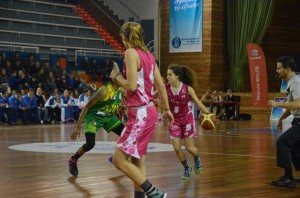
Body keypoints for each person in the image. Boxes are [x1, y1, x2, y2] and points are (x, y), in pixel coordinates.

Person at [109, 22, 173, 198]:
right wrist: (166, 109)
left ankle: (154, 193)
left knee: (118, 159)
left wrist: (116, 77)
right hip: (150, 111)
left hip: (140, 114)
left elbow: (130, 85)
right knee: (138, 159)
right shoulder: (149, 55)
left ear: (123, 38)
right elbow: (160, 84)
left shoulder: (130, 53)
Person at [68, 66, 124, 177]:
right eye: (119, 75)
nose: (121, 76)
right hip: (94, 117)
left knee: (127, 135)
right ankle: (73, 160)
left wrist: (120, 106)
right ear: (112, 78)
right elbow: (87, 107)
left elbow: (111, 104)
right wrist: (78, 127)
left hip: (108, 117)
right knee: (90, 144)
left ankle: (115, 157)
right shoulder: (104, 90)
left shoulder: (120, 90)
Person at [166, 64, 212, 181]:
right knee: (176, 148)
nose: (167, 77)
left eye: (170, 74)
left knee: (189, 148)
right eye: (167, 75)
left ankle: (196, 158)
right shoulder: (165, 88)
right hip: (174, 120)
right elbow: (152, 95)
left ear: (177, 76)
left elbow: (198, 103)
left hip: (187, 119)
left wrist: (208, 113)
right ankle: (187, 168)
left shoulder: (187, 89)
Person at [268, 56, 300, 189]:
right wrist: (281, 118)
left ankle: (288, 178)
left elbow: (298, 103)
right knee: (296, 149)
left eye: (279, 68)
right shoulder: (292, 82)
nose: (277, 71)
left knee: (283, 142)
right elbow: (293, 103)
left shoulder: (296, 82)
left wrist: (276, 104)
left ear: (287, 69)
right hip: (297, 120)